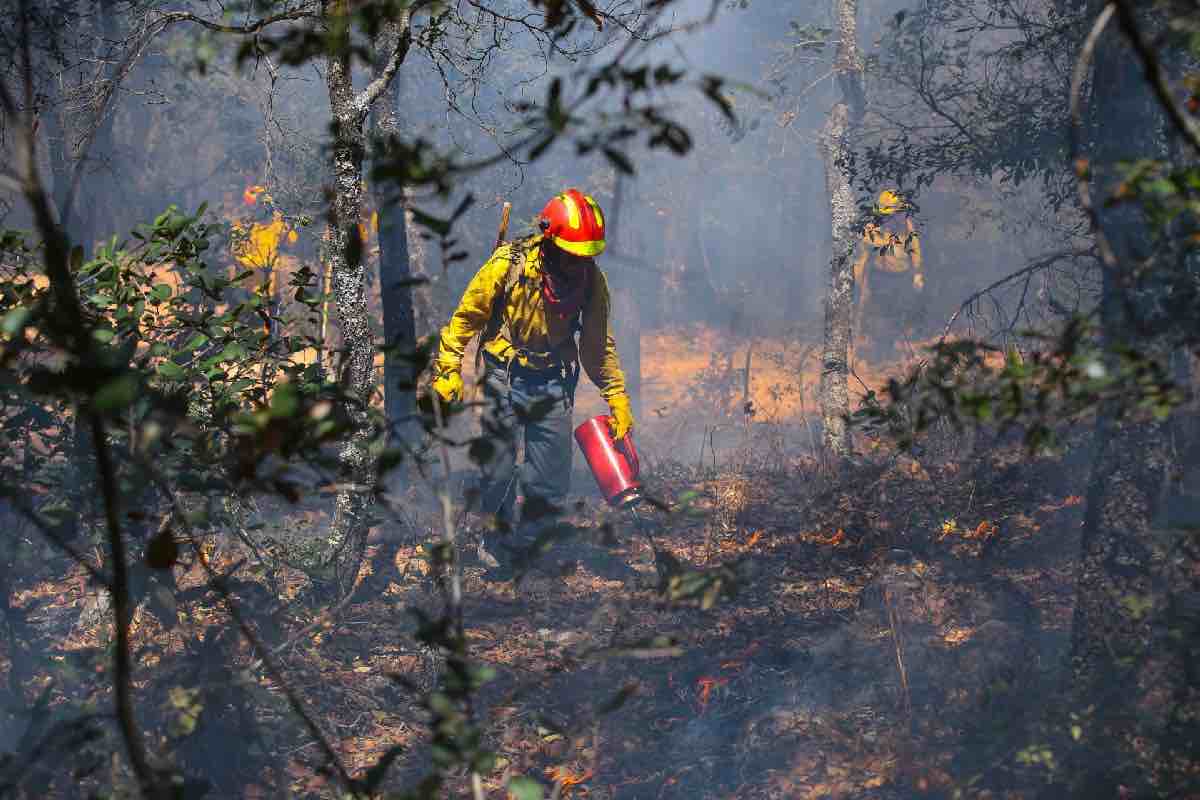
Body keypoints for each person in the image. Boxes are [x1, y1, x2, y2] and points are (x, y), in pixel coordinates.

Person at [429, 189, 634, 573]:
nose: (579, 263)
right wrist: (448, 369)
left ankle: (530, 548)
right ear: (549, 239)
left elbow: (596, 346)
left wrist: (617, 397)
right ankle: (496, 539)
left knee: (550, 479)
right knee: (498, 470)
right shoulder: (509, 264)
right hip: (503, 377)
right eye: (572, 254)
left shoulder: (591, 282)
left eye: (586, 255)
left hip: (553, 381)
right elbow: (465, 318)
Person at [852, 189, 925, 355]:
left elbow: (915, 249)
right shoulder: (873, 228)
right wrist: (858, 277)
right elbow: (863, 254)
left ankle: (888, 346)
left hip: (901, 277)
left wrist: (917, 273)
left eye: (899, 213)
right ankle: (879, 349)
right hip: (880, 277)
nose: (896, 217)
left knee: (896, 313)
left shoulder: (907, 227)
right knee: (880, 313)